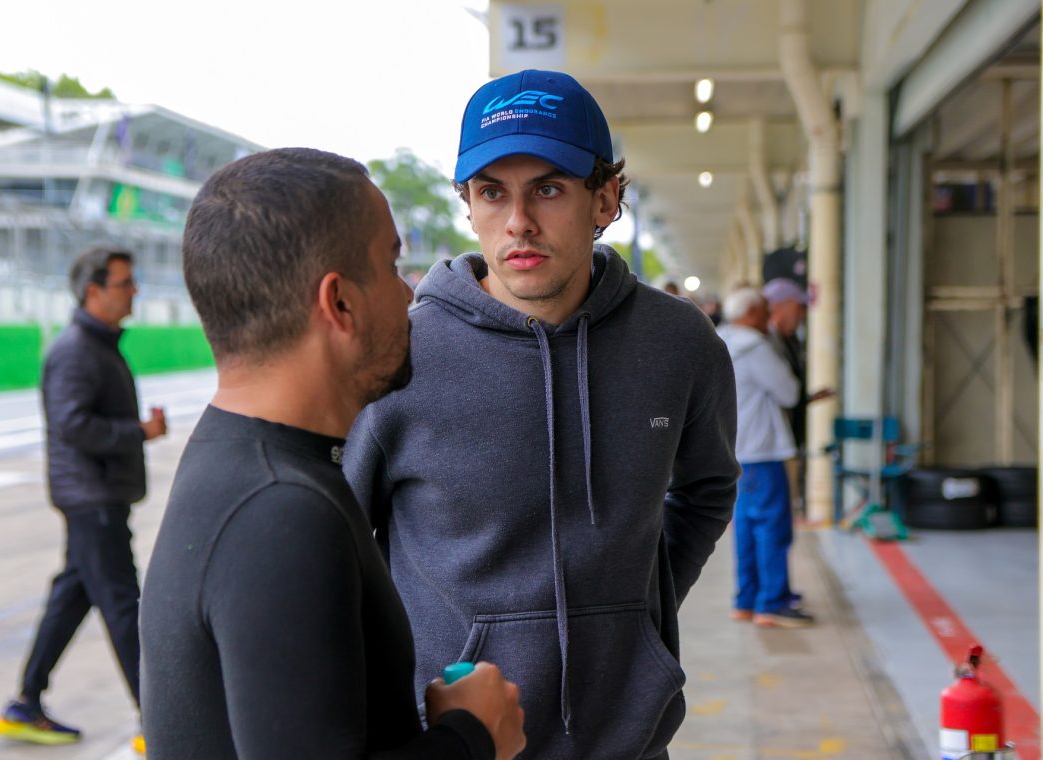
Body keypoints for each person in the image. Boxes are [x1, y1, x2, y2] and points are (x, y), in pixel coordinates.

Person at [345, 69, 739, 758]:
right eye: (492, 192)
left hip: (630, 741)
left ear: (605, 199)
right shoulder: (397, 354)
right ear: (469, 205)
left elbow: (707, 488)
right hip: (459, 742)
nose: (518, 222)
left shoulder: (679, 344)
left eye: (548, 189)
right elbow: (338, 545)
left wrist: (633, 622)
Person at [139, 148, 526, 760]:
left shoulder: (245, 462)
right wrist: (472, 734)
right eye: (392, 265)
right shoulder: (280, 511)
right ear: (339, 303)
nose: (408, 294)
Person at [0, 246, 166, 750]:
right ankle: (159, 721)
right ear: (94, 291)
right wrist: (138, 432)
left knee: (72, 598)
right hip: (93, 499)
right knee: (123, 605)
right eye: (124, 283)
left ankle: (25, 702)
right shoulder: (75, 350)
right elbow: (72, 425)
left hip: (96, 495)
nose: (134, 291)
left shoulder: (97, 345)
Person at [717, 286, 813, 628]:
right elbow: (789, 393)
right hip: (763, 450)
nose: (769, 317)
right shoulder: (754, 346)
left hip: (735, 448)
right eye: (764, 310)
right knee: (772, 526)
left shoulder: (719, 340)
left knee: (745, 525)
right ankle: (772, 602)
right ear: (752, 313)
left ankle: (747, 599)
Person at [762, 277, 833, 517]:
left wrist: (808, 398)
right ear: (779, 306)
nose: (802, 314)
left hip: (786, 441)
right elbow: (785, 394)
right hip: (769, 448)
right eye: (798, 307)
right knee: (772, 516)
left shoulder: (787, 341)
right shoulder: (764, 344)